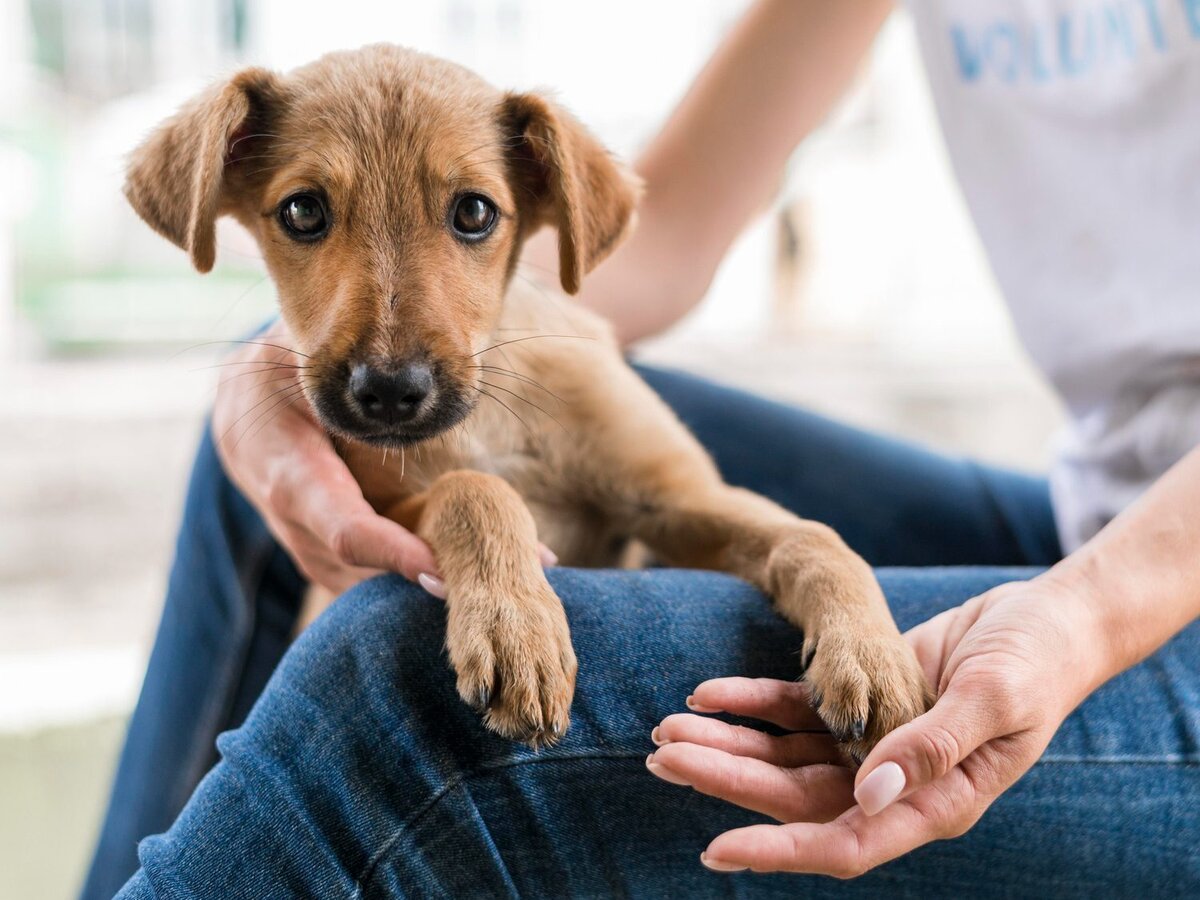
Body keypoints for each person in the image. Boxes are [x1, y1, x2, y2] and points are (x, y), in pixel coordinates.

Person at [84, 1, 1200, 896]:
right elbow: (654, 239)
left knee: (399, 674)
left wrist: (1091, 610)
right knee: (266, 421)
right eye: (304, 216)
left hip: (1158, 593)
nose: (387, 343)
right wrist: (259, 361)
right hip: (1088, 505)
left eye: (470, 216)